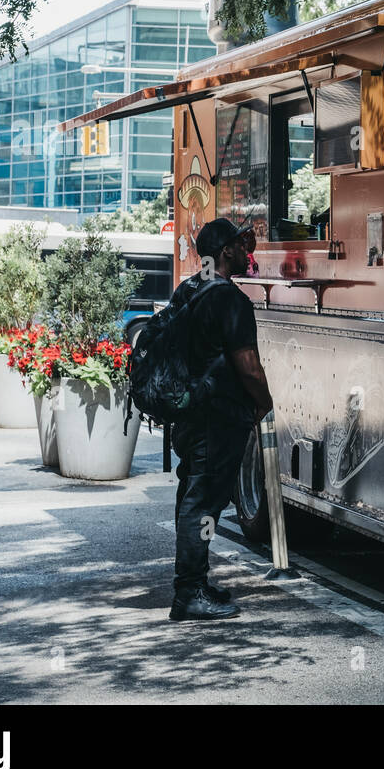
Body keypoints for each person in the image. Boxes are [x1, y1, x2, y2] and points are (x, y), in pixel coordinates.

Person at [168, 218, 274, 621]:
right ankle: (189, 593)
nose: (247, 252)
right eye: (239, 245)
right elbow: (248, 367)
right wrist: (264, 402)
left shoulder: (189, 289)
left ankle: (195, 582)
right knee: (203, 505)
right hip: (217, 419)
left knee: (194, 499)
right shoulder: (229, 299)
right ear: (226, 252)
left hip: (190, 416)